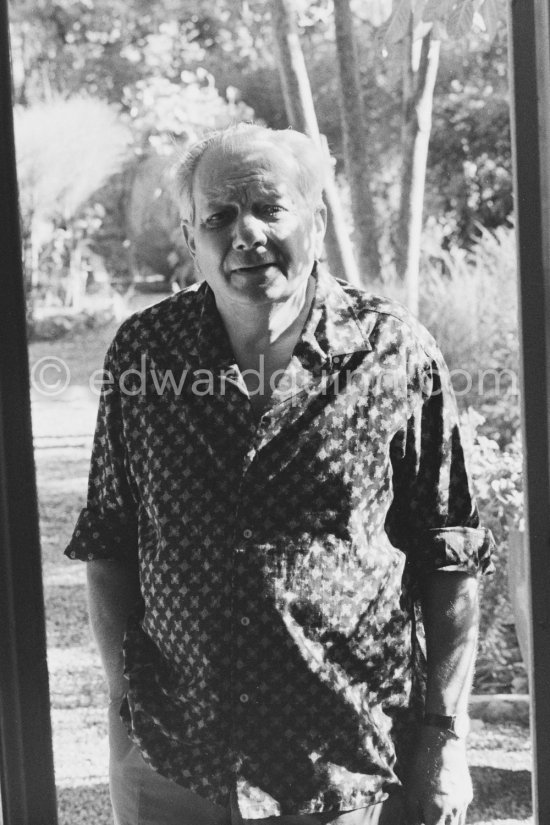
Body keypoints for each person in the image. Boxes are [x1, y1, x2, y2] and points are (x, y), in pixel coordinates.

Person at [65, 123, 494, 825]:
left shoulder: (394, 353)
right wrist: (124, 712)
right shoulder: (144, 356)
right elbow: (109, 541)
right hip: (175, 761)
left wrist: (445, 740)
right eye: (221, 216)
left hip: (342, 767)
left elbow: (450, 555)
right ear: (190, 236)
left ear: (315, 219)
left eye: (270, 208)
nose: (247, 234)